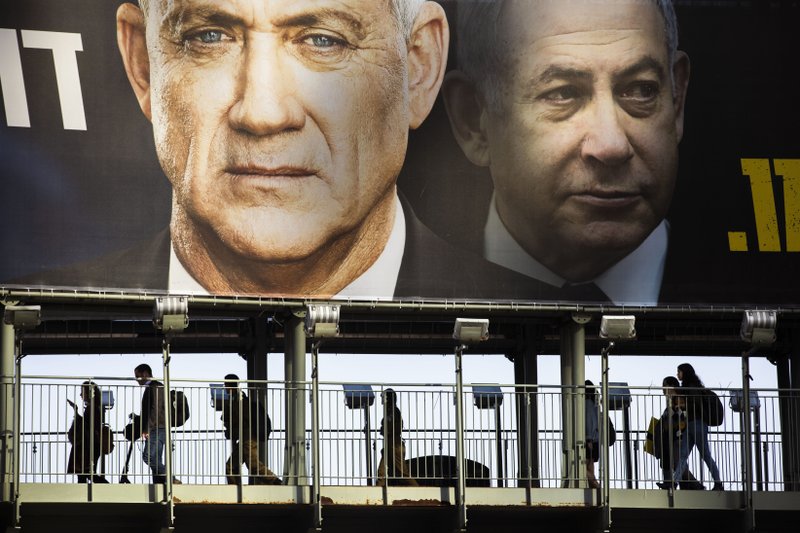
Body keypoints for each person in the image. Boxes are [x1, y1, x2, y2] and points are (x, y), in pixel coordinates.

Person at [16, 0, 560, 303]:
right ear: (142, 63)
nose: (263, 111)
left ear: (418, 67)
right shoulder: (23, 323)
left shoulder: (555, 328)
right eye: (210, 36)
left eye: (323, 40)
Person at [442, 0, 690, 305]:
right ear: (473, 121)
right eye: (563, 93)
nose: (611, 145)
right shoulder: (409, 280)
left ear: (677, 100)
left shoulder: (756, 286)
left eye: (641, 90)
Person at [218, 374, 281, 486]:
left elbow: (240, 420)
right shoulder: (237, 399)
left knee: (253, 466)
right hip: (245, 438)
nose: (225, 388)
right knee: (231, 466)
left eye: (225, 385)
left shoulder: (239, 399)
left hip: (248, 437)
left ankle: (276, 482)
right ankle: (234, 489)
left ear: (229, 385)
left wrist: (227, 417)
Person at [676, 363, 723, 490]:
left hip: (697, 424)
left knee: (704, 454)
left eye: (679, 372)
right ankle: (673, 482)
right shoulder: (690, 386)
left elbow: (697, 405)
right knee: (683, 454)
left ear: (685, 372)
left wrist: (684, 406)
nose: (678, 374)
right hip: (691, 425)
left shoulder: (691, 387)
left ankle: (718, 482)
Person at [655, 376, 702, 490]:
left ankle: (694, 484)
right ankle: (684, 484)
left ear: (672, 386)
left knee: (677, 463)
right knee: (672, 462)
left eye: (665, 385)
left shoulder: (678, 399)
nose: (663, 389)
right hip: (671, 438)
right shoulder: (672, 402)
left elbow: (681, 417)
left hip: (678, 437)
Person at [66, 381, 109, 484]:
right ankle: (103, 490)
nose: (81, 395)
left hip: (89, 445)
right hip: (90, 444)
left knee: (86, 473)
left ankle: (108, 488)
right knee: (85, 473)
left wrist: (76, 412)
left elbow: (88, 425)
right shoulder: (94, 406)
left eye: (82, 392)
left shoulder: (93, 407)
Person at [134, 363, 169, 484]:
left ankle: (170, 478)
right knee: (156, 458)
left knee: (148, 457)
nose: (136, 379)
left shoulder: (156, 387)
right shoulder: (154, 387)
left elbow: (156, 409)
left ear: (145, 374)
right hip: (157, 427)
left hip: (157, 427)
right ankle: (159, 484)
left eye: (137, 376)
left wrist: (147, 428)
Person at [376, 388, 417, 486]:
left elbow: (398, 427)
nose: (381, 400)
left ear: (388, 398)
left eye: (383, 397)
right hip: (390, 444)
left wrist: (387, 431)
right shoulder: (389, 411)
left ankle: (418, 490)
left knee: (403, 473)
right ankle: (377, 489)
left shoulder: (394, 411)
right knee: (381, 471)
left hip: (395, 444)